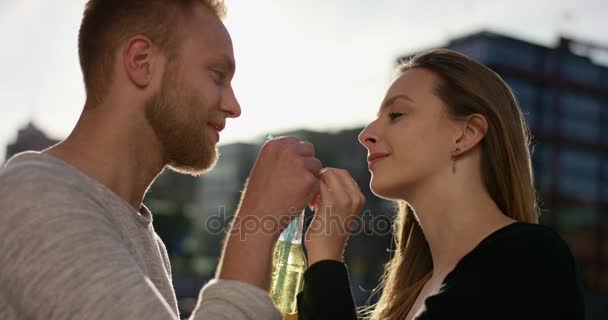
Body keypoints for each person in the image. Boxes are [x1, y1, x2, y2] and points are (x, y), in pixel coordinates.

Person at [0, 1, 324, 319]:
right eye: (217, 75)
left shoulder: (149, 242)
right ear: (142, 62)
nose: (233, 105)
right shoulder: (33, 195)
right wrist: (258, 218)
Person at [296, 49, 586, 319]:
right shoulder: (410, 294)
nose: (366, 134)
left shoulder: (529, 259)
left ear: (465, 134)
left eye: (396, 114)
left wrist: (325, 258)